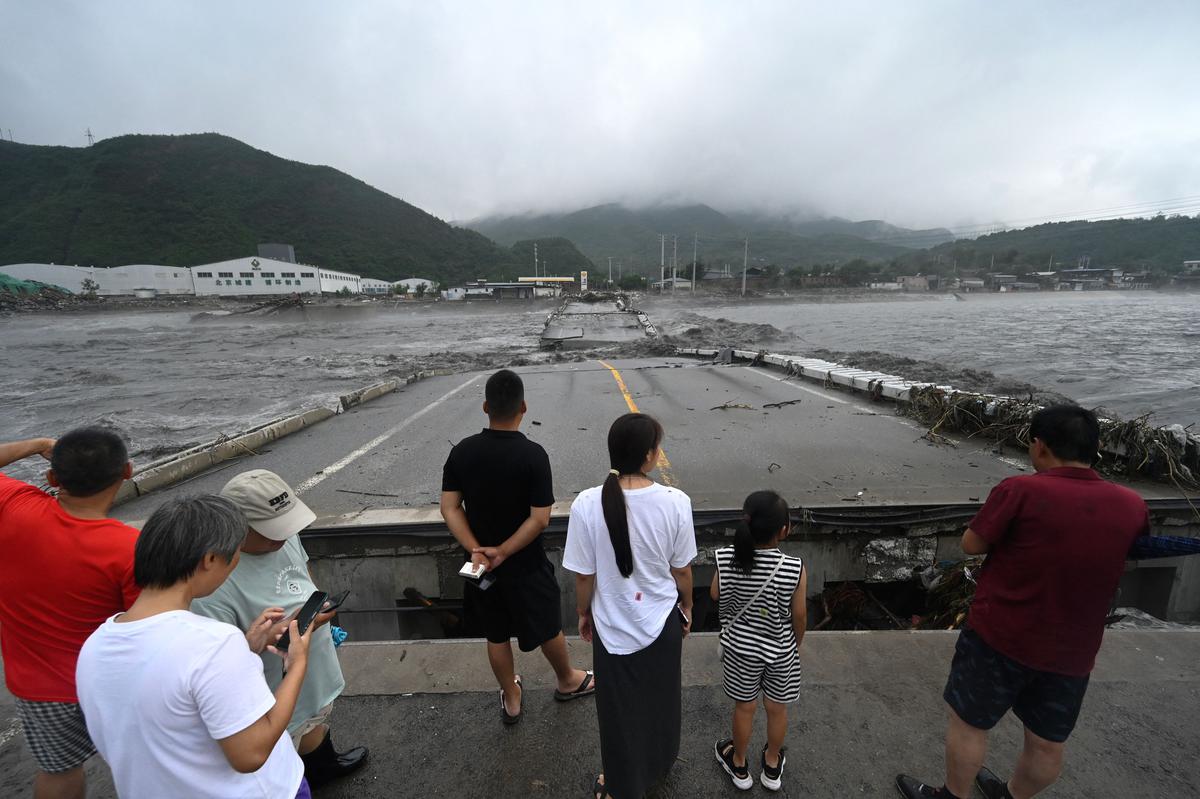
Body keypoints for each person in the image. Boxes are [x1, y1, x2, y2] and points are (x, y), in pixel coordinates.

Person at [896, 405, 1150, 799]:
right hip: (1073, 650)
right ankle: (1012, 795)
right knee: (1047, 742)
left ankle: (953, 795)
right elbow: (1129, 552)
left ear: (1040, 446)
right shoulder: (1133, 505)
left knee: (969, 724)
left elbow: (971, 544)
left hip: (1000, 636)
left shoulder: (1021, 490)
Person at [76, 494, 314, 799]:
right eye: (234, 555)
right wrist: (296, 666)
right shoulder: (213, 644)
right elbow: (252, 754)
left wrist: (245, 648)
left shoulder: (94, 647)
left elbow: (167, 708)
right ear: (210, 559)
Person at [192, 469, 369, 787]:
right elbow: (214, 665)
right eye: (270, 531)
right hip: (270, 683)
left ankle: (323, 766)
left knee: (316, 712)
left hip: (311, 656)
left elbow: (302, 572)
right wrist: (268, 636)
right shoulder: (212, 582)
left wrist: (316, 609)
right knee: (284, 741)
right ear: (234, 525)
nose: (283, 537)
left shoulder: (282, 539)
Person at [440, 368, 595, 725]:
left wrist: (477, 549)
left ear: (485, 407)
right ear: (523, 406)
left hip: (480, 567)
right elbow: (539, 519)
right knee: (546, 626)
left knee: (496, 634)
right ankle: (568, 680)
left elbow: (450, 507)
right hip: (524, 563)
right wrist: (504, 551)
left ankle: (511, 697)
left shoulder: (462, 452)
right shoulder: (533, 455)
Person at [563, 412, 697, 799]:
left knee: (618, 713)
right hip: (661, 625)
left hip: (612, 627)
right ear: (650, 455)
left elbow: (584, 577)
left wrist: (583, 613)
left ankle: (622, 783)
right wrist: (686, 608)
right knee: (662, 700)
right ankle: (657, 764)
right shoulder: (675, 501)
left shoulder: (586, 504)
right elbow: (682, 571)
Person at [0, 429, 139, 799]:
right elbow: (145, 622)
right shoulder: (127, 547)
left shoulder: (14, 506)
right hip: (109, 684)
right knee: (135, 760)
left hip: (39, 689)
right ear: (127, 471)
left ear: (51, 478)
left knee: (59, 771)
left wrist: (37, 444)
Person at [710, 490, 806, 792]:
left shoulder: (726, 558)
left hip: (740, 651)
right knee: (777, 709)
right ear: (784, 530)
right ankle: (772, 765)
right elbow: (799, 616)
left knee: (745, 708)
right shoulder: (794, 568)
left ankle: (739, 764)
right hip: (780, 651)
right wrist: (795, 643)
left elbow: (714, 594)